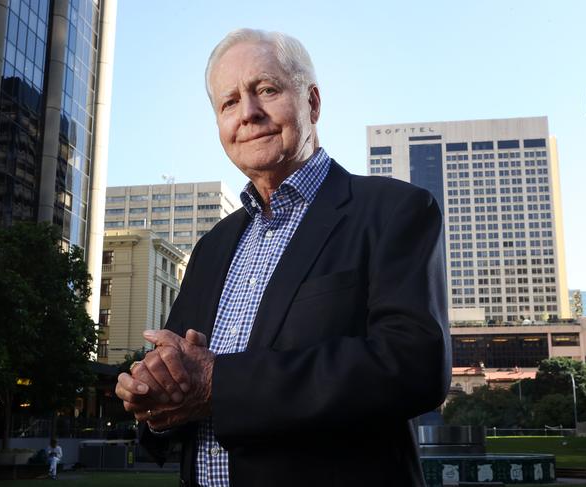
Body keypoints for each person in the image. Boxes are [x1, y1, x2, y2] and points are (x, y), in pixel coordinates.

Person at [115, 28, 451, 486]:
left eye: (266, 90)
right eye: (229, 102)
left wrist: (219, 383)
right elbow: (181, 377)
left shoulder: (393, 211)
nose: (248, 114)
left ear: (311, 103)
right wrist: (152, 396)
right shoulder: (212, 246)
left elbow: (414, 365)